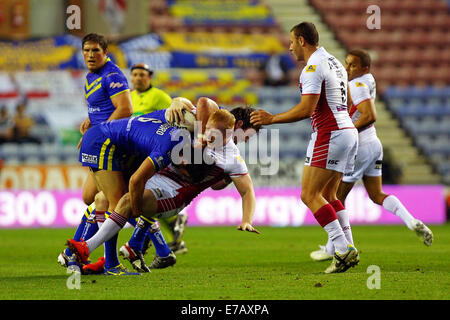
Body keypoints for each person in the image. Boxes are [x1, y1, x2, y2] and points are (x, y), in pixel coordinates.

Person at [67, 109, 260, 268]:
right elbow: (202, 103)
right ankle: (124, 252)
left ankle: (89, 249)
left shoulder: (232, 159)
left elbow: (247, 191)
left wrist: (246, 220)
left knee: (127, 201)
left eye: (214, 133)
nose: (208, 135)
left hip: (175, 193)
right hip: (157, 178)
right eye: (207, 129)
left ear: (227, 133)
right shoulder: (198, 130)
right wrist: (177, 103)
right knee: (101, 198)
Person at [250, 22, 359, 274]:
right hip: (346, 131)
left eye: (291, 41)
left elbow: (306, 109)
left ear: (301, 41)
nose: (289, 48)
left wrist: (272, 119)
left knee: (309, 195)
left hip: (330, 133)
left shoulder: (312, 67)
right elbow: (350, 102)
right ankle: (348, 247)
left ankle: (343, 250)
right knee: (330, 196)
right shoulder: (334, 62)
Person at [310, 49, 433, 262]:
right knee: (376, 195)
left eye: (352, 65)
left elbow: (369, 115)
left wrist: (346, 128)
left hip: (359, 147)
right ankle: (411, 221)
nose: (347, 69)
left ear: (364, 68)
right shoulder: (368, 80)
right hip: (374, 144)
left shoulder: (356, 85)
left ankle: (336, 248)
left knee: (335, 197)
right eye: (346, 64)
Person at [58, 33, 134, 274]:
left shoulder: (112, 75)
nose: (91, 55)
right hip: (96, 140)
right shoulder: (91, 76)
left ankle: (109, 262)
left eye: (96, 51)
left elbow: (125, 108)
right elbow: (102, 107)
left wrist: (101, 132)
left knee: (113, 203)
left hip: (109, 143)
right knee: (91, 197)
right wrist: (90, 120)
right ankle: (79, 251)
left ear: (105, 53)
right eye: (87, 51)